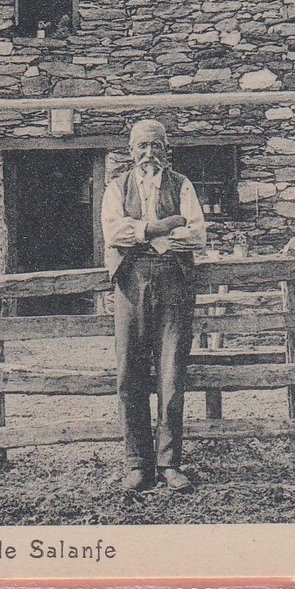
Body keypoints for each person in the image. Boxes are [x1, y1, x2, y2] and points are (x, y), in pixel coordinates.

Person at [100, 119, 208, 493]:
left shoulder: (182, 185)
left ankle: (168, 463)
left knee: (171, 373)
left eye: (156, 147)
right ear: (131, 152)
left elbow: (195, 234)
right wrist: (163, 227)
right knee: (130, 373)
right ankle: (136, 464)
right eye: (142, 147)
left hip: (173, 282)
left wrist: (142, 230)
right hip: (131, 282)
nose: (149, 154)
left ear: (166, 150)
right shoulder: (116, 187)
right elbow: (115, 232)